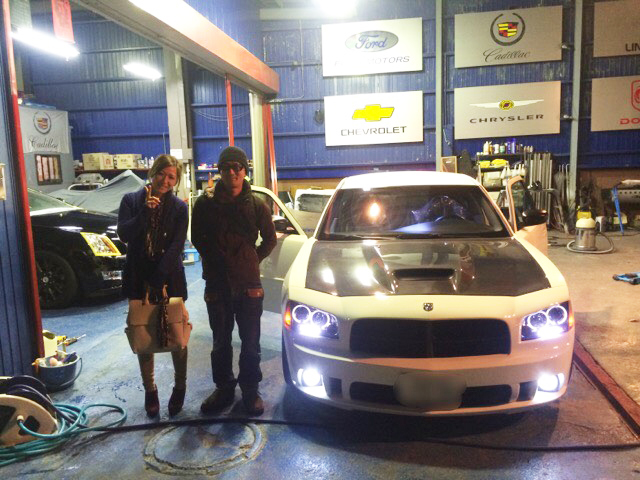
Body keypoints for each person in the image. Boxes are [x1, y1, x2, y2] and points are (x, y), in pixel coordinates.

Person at [192, 146, 276, 416]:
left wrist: (251, 259)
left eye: (237, 167)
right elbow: (197, 238)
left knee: (250, 343)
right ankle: (224, 389)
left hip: (249, 285)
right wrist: (216, 261)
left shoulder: (257, 205)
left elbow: (270, 239)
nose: (232, 172)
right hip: (217, 285)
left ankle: (250, 390)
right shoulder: (205, 205)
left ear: (244, 170)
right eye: (226, 167)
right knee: (220, 342)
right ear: (220, 171)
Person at [117, 154, 189, 418]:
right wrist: (145, 214)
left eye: (172, 177)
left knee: (176, 332)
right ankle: (150, 390)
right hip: (138, 278)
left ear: (176, 181)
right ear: (153, 172)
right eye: (162, 174)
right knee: (143, 332)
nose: (165, 181)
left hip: (169, 278)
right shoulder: (131, 201)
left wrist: (160, 277)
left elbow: (177, 245)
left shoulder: (180, 208)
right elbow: (124, 234)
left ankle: (180, 386)